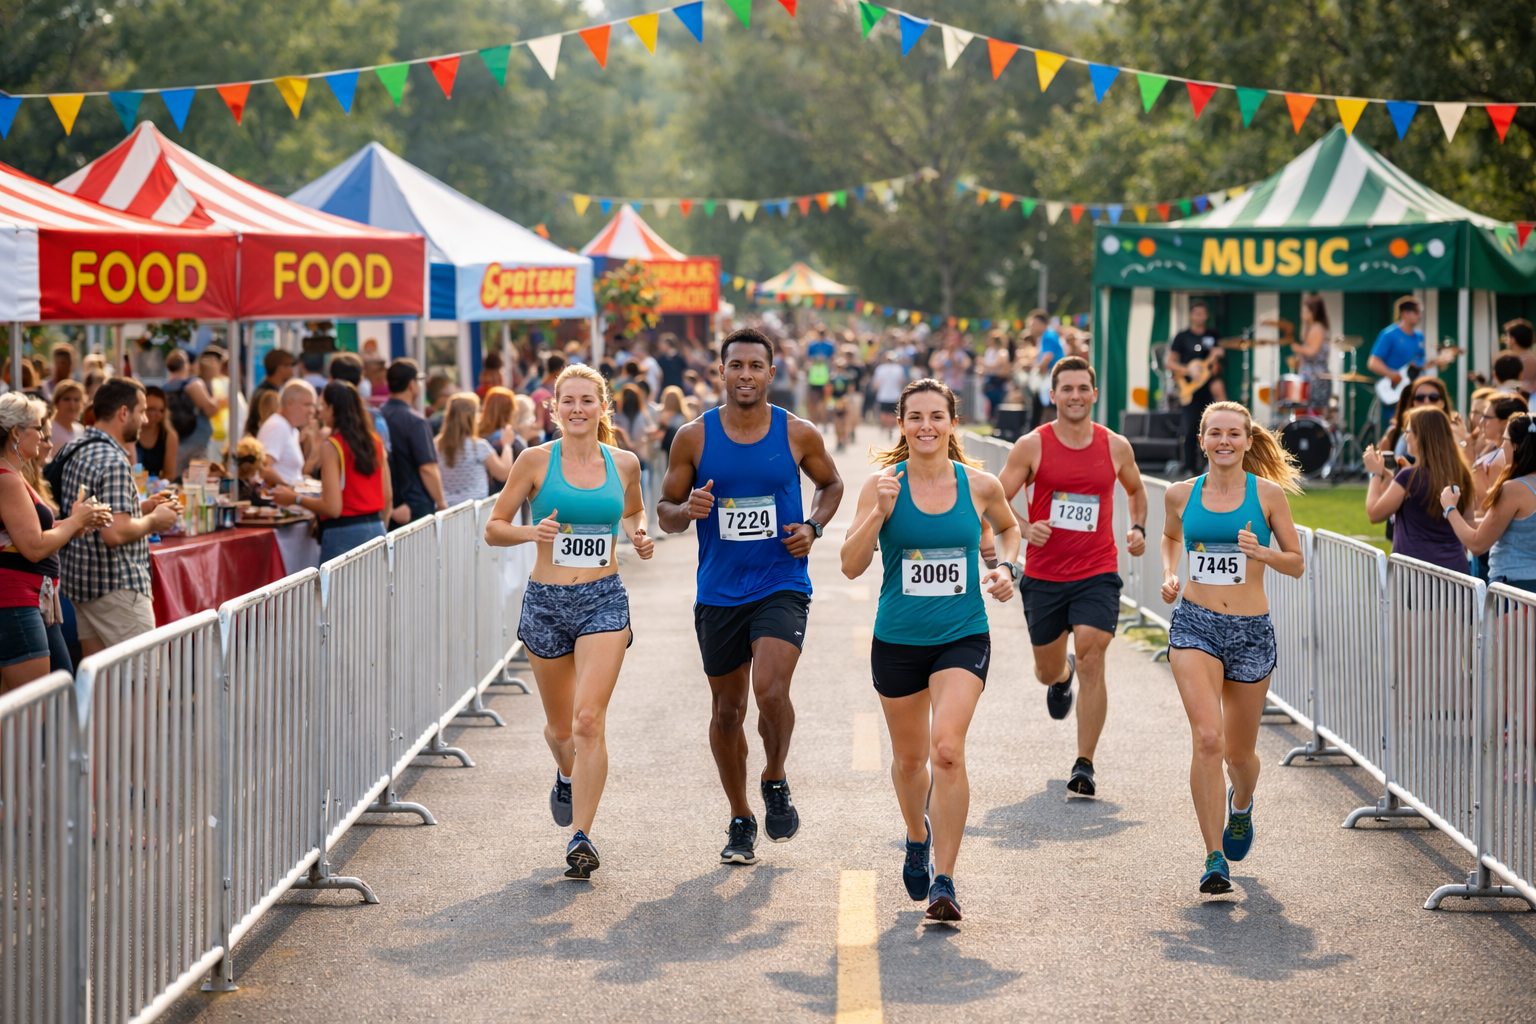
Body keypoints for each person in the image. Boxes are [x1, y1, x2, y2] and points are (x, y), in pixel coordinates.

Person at [658, 327, 843, 863]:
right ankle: (740, 816)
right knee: (726, 712)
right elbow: (666, 512)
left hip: (781, 581)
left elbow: (830, 485)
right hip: (718, 591)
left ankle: (775, 776)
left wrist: (814, 527)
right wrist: (685, 511)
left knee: (770, 691)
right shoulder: (693, 438)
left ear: (770, 372)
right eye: (735, 365)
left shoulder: (797, 433)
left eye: (755, 366)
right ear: (720, 371)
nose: (745, 374)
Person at [838, 378, 1020, 922]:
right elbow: (850, 565)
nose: (926, 426)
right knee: (911, 759)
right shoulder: (881, 485)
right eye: (914, 417)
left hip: (962, 634)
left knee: (947, 750)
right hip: (897, 639)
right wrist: (878, 514)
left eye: (936, 416)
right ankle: (916, 833)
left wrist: (1006, 567)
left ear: (951, 423)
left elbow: (1010, 531)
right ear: (900, 424)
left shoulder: (980, 485)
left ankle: (945, 878)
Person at [485, 364, 653, 879]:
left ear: (603, 407)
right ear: (553, 408)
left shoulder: (624, 462)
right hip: (546, 602)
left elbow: (633, 513)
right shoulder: (534, 461)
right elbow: (493, 528)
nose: (577, 409)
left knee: (587, 721)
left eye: (587, 400)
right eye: (568, 401)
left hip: (603, 598)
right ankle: (565, 773)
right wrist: (531, 533)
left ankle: (581, 836)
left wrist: (641, 534)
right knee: (561, 730)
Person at [1159, 400, 1305, 894]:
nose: (1224, 441)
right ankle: (1213, 857)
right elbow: (1168, 538)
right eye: (1214, 433)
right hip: (1195, 624)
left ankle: (1240, 806)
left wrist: (1262, 552)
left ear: (1247, 440)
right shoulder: (1180, 494)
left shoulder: (1267, 496)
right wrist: (1169, 573)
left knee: (1239, 756)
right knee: (1208, 739)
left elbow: (1296, 562)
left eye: (1234, 434)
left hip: (1250, 630)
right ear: (1201, 440)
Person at [997, 356, 1147, 797]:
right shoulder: (1032, 445)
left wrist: (1136, 527)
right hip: (1044, 575)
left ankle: (1085, 764)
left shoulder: (1115, 445)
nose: (1076, 396)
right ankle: (1060, 678)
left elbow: (1136, 490)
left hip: (1097, 570)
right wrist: (1025, 528)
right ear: (1053, 394)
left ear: (1094, 394)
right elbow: (996, 499)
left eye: (1083, 388)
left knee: (1092, 655)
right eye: (1067, 388)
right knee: (1048, 670)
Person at [55, 379, 181, 656]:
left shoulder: (76, 448)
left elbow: (99, 515)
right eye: (142, 411)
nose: (146, 419)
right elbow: (115, 533)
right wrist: (155, 521)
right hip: (117, 587)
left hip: (83, 584)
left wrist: (142, 508)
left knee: (104, 688)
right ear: (124, 413)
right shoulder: (112, 459)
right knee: (146, 686)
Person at [0, 394, 111, 690]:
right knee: (37, 707)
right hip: (16, 599)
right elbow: (34, 547)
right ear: (15, 432)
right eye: (38, 428)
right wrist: (75, 522)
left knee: (29, 707)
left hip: (26, 598)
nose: (43, 436)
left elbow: (21, 534)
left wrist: (74, 523)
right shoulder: (7, 479)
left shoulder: (13, 475)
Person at [273, 381, 392, 563]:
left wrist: (294, 498)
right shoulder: (374, 441)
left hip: (344, 533)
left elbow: (333, 508)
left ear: (332, 409)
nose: (319, 411)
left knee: (337, 592)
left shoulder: (332, 446)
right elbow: (387, 496)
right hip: (376, 528)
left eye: (322, 406)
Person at [1364, 407, 1474, 574]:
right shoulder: (1463, 474)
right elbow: (1468, 523)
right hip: (1456, 573)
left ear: (1421, 437)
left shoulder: (1410, 477)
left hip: (1416, 577)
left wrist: (1375, 473)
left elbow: (1374, 513)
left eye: (1408, 431)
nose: (1405, 436)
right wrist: (1390, 478)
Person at [1443, 413, 1536, 594]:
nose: (1501, 446)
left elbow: (1477, 545)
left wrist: (1450, 508)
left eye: (1505, 440)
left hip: (1515, 590)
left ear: (1516, 446)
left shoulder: (1514, 489)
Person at [380, 359, 447, 525]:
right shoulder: (415, 421)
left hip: (385, 507)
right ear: (411, 384)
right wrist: (441, 502)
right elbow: (427, 467)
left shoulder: (377, 416)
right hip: (414, 509)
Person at [1166, 301, 1225, 475]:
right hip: (1189, 388)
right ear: (1191, 315)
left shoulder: (1213, 335)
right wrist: (1187, 370)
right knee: (1191, 427)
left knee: (1214, 426)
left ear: (1207, 315)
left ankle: (1212, 466)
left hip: (1209, 386)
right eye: (1196, 313)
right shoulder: (1182, 337)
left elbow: (1219, 367)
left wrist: (1215, 364)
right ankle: (1190, 467)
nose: (1200, 317)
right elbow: (1170, 362)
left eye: (1203, 313)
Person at [435, 392, 512, 507]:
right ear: (471, 416)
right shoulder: (478, 446)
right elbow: (503, 473)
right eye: (478, 411)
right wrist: (507, 445)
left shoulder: (436, 444)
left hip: (447, 512)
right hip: (475, 510)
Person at [1367, 297, 1426, 432]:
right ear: (1405, 313)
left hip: (1414, 392)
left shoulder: (1420, 336)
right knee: (1393, 431)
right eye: (1417, 312)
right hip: (1395, 393)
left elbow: (1421, 363)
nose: (1420, 316)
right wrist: (1393, 375)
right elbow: (1373, 362)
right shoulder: (1389, 335)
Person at [163, 349, 218, 478]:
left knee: (177, 482)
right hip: (197, 442)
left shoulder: (164, 388)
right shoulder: (193, 384)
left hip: (176, 444)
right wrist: (217, 400)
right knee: (197, 483)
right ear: (186, 364)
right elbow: (210, 410)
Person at [258, 379, 317, 486]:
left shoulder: (291, 429)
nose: (312, 410)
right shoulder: (278, 425)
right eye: (307, 404)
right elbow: (264, 469)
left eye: (313, 405)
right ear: (290, 403)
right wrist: (290, 489)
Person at [329, 352, 391, 454]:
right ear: (361, 380)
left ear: (330, 378)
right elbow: (384, 458)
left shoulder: (324, 417)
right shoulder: (375, 418)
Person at [245, 348, 298, 437]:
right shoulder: (269, 395)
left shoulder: (266, 390)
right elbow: (273, 430)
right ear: (280, 367)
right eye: (291, 364)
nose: (293, 368)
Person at [1293, 296, 1333, 414]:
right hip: (1311, 376)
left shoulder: (1317, 328)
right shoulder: (1312, 327)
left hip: (1316, 378)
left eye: (1305, 311)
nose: (1302, 314)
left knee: (1314, 414)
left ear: (1313, 312)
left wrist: (1297, 348)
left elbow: (1312, 351)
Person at [135, 386, 179, 482]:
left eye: (161, 410)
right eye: (151, 409)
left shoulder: (169, 436)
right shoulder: (129, 432)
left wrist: (155, 485)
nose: (156, 414)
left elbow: (169, 474)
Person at [871, 351, 908, 437]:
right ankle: (890, 429)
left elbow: (877, 383)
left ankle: (885, 427)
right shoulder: (899, 368)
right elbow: (902, 381)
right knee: (893, 413)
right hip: (895, 395)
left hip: (883, 395)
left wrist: (873, 390)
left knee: (883, 413)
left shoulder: (881, 368)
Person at [48, 379, 85, 457]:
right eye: (67, 399)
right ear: (56, 403)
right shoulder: (47, 430)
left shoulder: (80, 430)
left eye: (76, 400)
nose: (72, 404)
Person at [1505, 319, 1536, 396]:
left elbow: (1528, 389)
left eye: (1507, 336)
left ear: (1513, 340)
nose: (1505, 340)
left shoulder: (1526, 360)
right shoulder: (1526, 359)